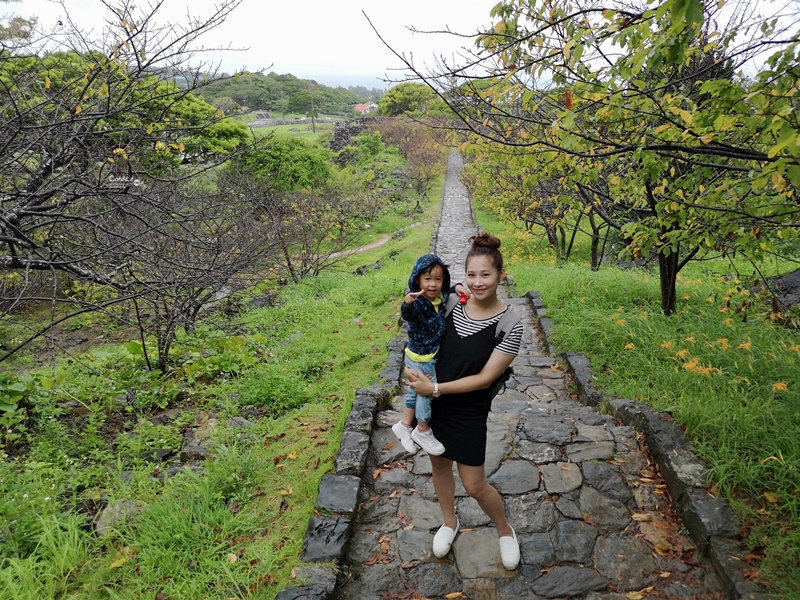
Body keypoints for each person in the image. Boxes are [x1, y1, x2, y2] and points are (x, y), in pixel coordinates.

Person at [405, 233, 524, 570]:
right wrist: (417, 373)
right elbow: (418, 307)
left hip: (468, 409)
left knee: (474, 485)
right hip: (432, 404)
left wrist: (436, 389)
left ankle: (504, 529)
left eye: (485, 274)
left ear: (501, 275)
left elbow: (486, 378)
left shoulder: (510, 323)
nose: (477, 282)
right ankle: (449, 521)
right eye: (471, 274)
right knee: (439, 466)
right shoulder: (451, 301)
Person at [392, 253, 464, 456]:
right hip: (422, 356)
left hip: (417, 355)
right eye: (427, 279)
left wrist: (456, 287)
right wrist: (407, 303)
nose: (432, 285)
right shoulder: (418, 301)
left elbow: (447, 291)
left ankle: (405, 425)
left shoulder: (439, 297)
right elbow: (407, 314)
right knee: (425, 391)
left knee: (414, 390)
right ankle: (422, 429)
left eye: (438, 279)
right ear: (417, 280)